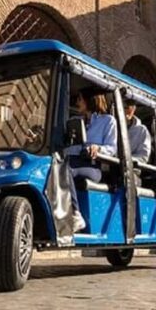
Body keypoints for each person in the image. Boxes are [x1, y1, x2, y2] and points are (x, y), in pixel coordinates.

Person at [65, 88, 117, 232]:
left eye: (80, 99)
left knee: (65, 169)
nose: (77, 102)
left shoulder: (108, 121)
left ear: (89, 100)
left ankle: (76, 215)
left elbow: (112, 148)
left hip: (93, 167)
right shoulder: (75, 121)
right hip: (74, 162)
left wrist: (98, 149)